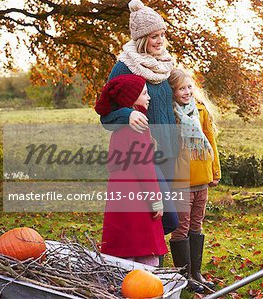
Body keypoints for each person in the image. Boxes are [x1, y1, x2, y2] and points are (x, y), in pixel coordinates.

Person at [99, 0, 178, 249]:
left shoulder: (164, 65)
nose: (160, 41)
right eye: (154, 36)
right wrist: (126, 115)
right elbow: (105, 112)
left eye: (162, 35)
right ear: (142, 38)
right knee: (167, 218)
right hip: (145, 155)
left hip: (169, 152)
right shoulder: (125, 66)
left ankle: (159, 273)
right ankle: (144, 271)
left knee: (164, 218)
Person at [95, 74, 168, 267]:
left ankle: (121, 280)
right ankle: (145, 285)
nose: (149, 97)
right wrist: (155, 200)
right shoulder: (138, 126)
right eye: (144, 93)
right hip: (138, 196)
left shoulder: (120, 127)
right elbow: (144, 168)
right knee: (143, 245)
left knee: (123, 245)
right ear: (131, 99)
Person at [168, 68, 221, 293]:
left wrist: (215, 171)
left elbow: (211, 141)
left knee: (196, 225)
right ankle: (184, 276)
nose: (187, 91)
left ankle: (196, 272)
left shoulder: (200, 111)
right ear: (172, 91)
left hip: (202, 177)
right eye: (181, 88)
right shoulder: (171, 115)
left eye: (189, 86)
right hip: (181, 180)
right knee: (182, 227)